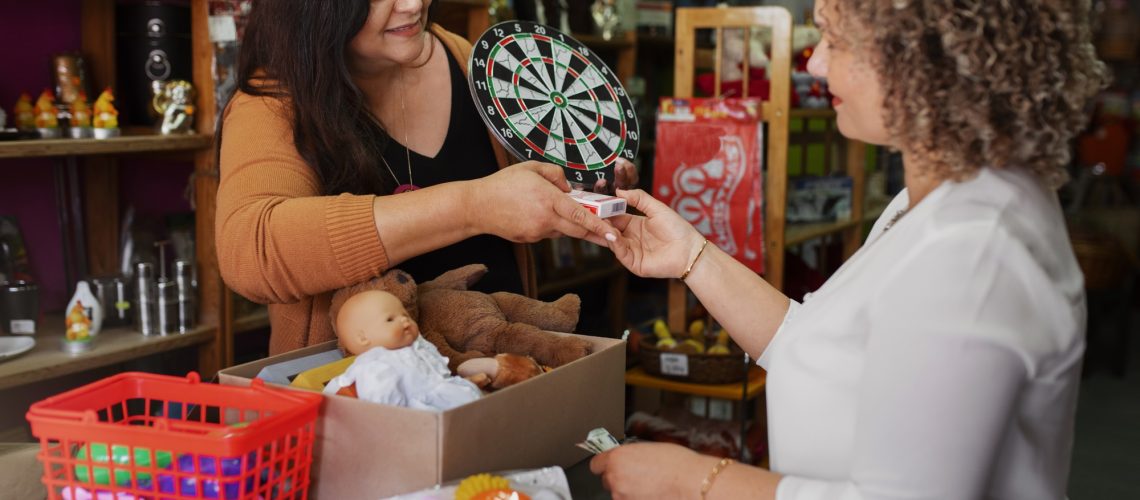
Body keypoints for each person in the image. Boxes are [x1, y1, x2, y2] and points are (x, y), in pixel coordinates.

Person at [589, 0, 1109, 498]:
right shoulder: (938, 199)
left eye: (834, 40)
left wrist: (695, 484)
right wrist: (691, 256)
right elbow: (814, 345)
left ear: (923, 55)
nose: (814, 63)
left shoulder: (973, 251)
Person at [215, 0, 632, 354]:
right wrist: (474, 206)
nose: (414, 4)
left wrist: (582, 179)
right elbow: (251, 249)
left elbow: (543, 163)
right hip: (366, 413)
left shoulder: (467, 59)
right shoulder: (275, 100)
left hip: (509, 381)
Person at [324, 288, 486, 410]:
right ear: (363, 338)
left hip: (447, 395)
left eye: (405, 315)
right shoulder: (374, 366)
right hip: (418, 414)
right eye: (390, 319)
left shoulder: (417, 345)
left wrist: (454, 384)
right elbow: (380, 402)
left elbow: (437, 370)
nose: (403, 320)